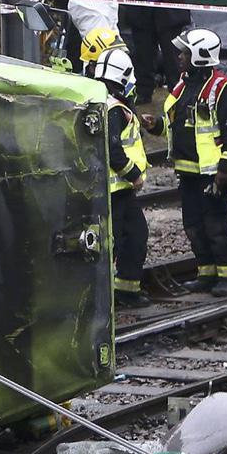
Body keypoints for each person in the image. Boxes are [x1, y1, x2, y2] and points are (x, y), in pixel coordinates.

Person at [140, 29, 227, 297]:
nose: (178, 57)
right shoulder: (183, 85)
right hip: (188, 172)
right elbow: (179, 125)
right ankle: (207, 273)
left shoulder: (222, 89)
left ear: (199, 56)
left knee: (218, 225)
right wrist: (157, 126)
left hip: (212, 173)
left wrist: (226, 169)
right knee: (194, 225)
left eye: (184, 52)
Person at [93, 47, 151, 307]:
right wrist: (135, 175)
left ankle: (126, 289)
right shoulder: (115, 108)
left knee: (133, 236)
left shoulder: (98, 101)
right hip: (117, 189)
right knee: (119, 241)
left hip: (114, 190)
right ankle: (112, 294)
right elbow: (113, 150)